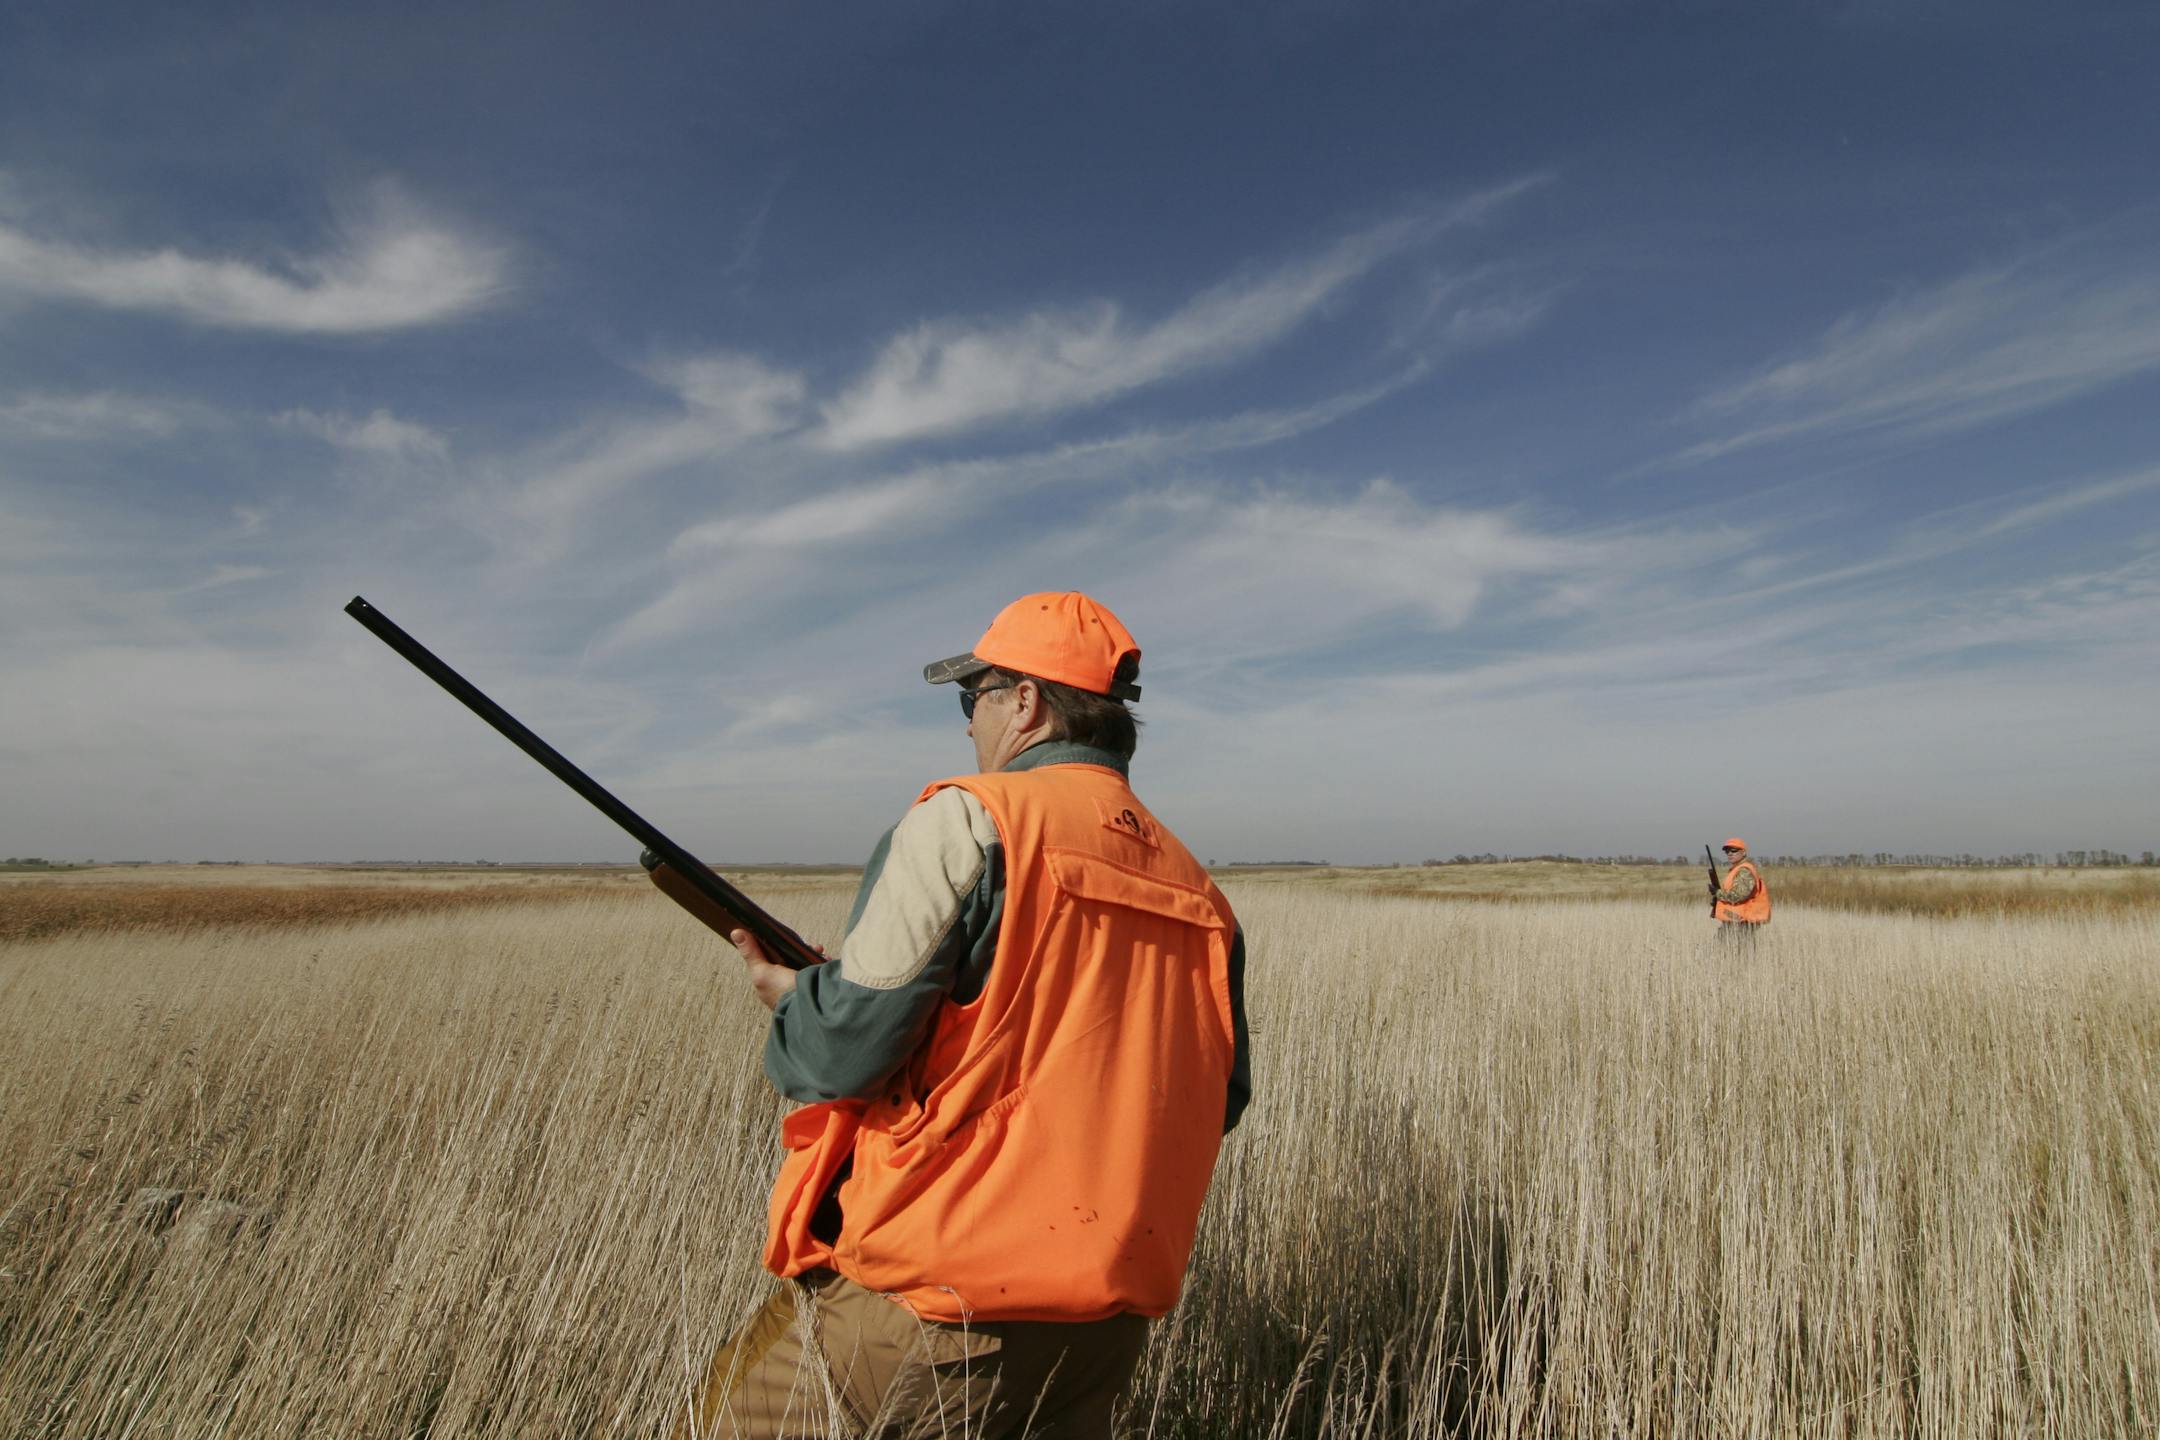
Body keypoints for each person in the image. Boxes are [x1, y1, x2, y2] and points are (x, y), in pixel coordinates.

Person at [677, 591, 1252, 1440]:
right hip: (1102, 1327)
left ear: (1026, 701)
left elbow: (839, 1055)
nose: (969, 723)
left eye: (972, 697)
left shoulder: (971, 819)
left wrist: (798, 1000)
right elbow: (1218, 1100)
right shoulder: (1202, 894)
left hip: (932, 1305)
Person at [1712, 836, 1770, 940]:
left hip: (1742, 921)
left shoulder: (1744, 870)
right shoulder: (1737, 869)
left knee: (1738, 951)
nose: (1730, 853)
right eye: (1727, 851)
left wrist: (1718, 893)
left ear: (1743, 852)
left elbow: (1739, 895)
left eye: (1733, 850)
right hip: (1735, 919)